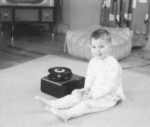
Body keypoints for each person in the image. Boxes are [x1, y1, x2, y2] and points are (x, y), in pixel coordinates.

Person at [35, 29, 126, 122]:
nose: (97, 50)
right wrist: (86, 88)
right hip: (93, 91)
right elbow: (90, 77)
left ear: (109, 47)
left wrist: (93, 94)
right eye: (94, 47)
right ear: (90, 47)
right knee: (76, 96)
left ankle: (67, 114)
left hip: (109, 97)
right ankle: (53, 104)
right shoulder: (93, 61)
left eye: (101, 46)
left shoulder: (113, 64)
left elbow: (111, 86)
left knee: (86, 104)